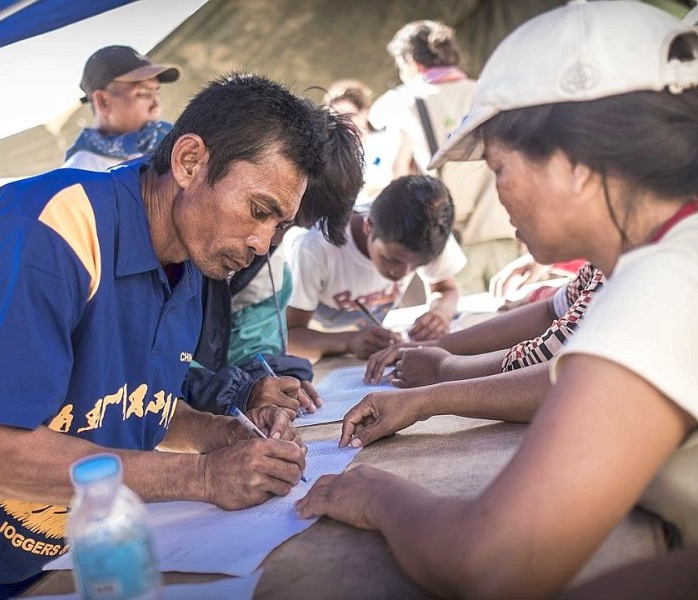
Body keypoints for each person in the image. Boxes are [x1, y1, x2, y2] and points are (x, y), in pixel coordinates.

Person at [296, 2, 698, 599]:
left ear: (577, 164)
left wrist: (373, 494)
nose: (498, 195)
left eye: (500, 167)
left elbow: (494, 562)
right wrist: (435, 392)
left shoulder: (667, 282)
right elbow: (572, 377)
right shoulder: (661, 258)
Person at [0, 73, 329, 598]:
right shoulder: (48, 232)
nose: (263, 243)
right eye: (259, 211)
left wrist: (221, 433)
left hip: (52, 558)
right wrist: (203, 478)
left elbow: (128, 402)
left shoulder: (190, 263)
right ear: (190, 162)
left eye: (279, 226)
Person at [186, 105, 365, 418]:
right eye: (263, 213)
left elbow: (253, 343)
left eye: (292, 225)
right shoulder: (181, 244)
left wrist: (268, 380)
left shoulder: (268, 263)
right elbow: (154, 369)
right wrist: (238, 390)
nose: (268, 242)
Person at [370, 19, 522, 295]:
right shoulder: (491, 92)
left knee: (467, 327)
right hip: (506, 228)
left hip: (450, 240)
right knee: (514, 317)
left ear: (411, 61)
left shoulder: (407, 102)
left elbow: (397, 174)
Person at [287, 175, 465, 362]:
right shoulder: (316, 247)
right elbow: (290, 337)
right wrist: (350, 341)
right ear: (368, 227)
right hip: (321, 357)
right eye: (392, 259)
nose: (403, 273)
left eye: (417, 265)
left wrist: (441, 313)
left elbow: (447, 290)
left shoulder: (431, 234)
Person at [363, 261, 605, 386]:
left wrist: (444, 370)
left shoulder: (626, 266)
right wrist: (439, 345)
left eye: (500, 170)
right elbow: (552, 309)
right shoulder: (601, 263)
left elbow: (554, 361)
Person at [63, 45, 181, 171]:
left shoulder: (163, 150)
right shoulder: (81, 174)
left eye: (156, 92)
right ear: (103, 102)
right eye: (142, 93)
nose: (156, 106)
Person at [323, 79, 394, 208]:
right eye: (337, 117)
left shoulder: (388, 140)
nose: (344, 123)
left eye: (349, 116)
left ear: (365, 112)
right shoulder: (330, 153)